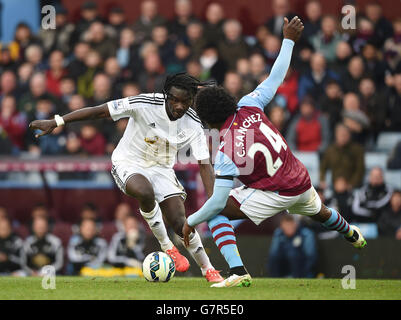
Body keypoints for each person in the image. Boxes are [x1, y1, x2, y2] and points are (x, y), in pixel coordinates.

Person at [182, 17, 366, 288]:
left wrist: (190, 221)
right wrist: (289, 39)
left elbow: (218, 202)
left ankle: (238, 270)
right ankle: (351, 233)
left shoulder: (226, 149)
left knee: (215, 213)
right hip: (299, 178)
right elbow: (277, 75)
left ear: (208, 119)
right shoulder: (249, 104)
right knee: (320, 212)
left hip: (274, 192)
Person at [29, 73, 223, 282]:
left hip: (162, 170)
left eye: (184, 102)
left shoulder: (193, 123)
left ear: (192, 100)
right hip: (128, 163)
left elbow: (205, 164)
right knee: (145, 191)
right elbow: (100, 111)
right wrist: (57, 121)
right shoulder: (144, 103)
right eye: (174, 100)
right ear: (166, 96)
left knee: (179, 221)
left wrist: (213, 201)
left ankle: (208, 269)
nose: (178, 106)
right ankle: (168, 247)